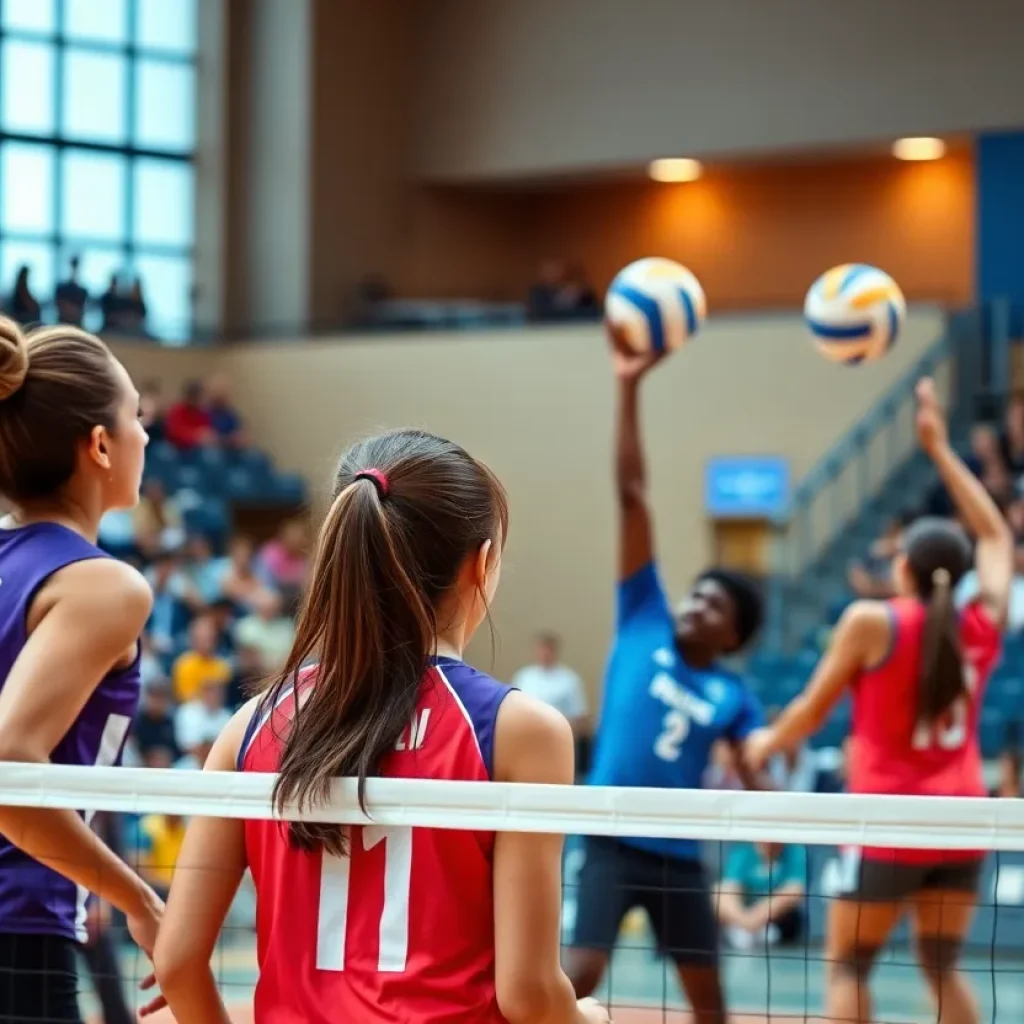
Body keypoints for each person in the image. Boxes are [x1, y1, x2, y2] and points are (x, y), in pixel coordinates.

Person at [153, 429, 610, 1024]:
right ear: (483, 562)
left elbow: (178, 961)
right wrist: (588, 1017)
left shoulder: (250, 725)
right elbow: (527, 995)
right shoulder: (520, 730)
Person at [745, 378, 1012, 1024]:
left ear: (904, 570)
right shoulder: (983, 625)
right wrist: (940, 452)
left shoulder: (875, 622)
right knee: (942, 968)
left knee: (848, 968)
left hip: (887, 823)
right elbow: (999, 536)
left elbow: (809, 712)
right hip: (964, 824)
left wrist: (764, 743)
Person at [565, 326, 766, 1024]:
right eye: (695, 590)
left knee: (709, 1007)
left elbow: (753, 764)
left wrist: (773, 822)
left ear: (733, 633)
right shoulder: (645, 616)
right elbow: (632, 496)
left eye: (713, 602)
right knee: (578, 976)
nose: (694, 601)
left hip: (681, 852)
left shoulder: (732, 694)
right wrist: (628, 385)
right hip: (611, 837)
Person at [0, 317, 164, 1021]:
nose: (146, 436)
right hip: (17, 933)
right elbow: (9, 764)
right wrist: (142, 901)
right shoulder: (104, 586)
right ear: (100, 444)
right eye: (136, 417)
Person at [715, 841, 807, 950]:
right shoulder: (744, 849)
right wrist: (745, 921)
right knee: (717, 893)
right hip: (743, 920)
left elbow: (795, 890)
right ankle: (743, 931)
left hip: (779, 925)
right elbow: (727, 889)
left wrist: (756, 918)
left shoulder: (795, 850)